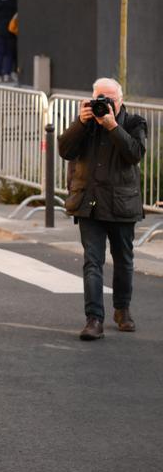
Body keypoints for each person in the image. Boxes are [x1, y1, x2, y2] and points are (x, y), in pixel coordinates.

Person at [57, 78, 147, 341]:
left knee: (123, 261)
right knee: (92, 262)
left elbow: (134, 154)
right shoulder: (85, 123)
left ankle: (122, 310)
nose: (105, 104)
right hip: (90, 203)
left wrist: (113, 127)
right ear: (93, 98)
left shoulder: (134, 122)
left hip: (121, 203)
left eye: (111, 99)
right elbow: (64, 149)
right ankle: (94, 318)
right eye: (101, 99)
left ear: (120, 100)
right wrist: (81, 123)